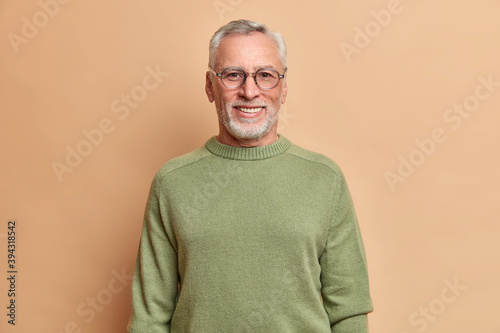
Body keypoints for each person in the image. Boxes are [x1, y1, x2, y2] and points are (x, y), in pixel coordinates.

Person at [128, 19, 373, 332]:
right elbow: (149, 317)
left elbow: (349, 310)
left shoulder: (324, 179)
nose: (249, 91)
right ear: (209, 86)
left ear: (283, 88)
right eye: (233, 75)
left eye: (265, 76)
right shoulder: (172, 183)